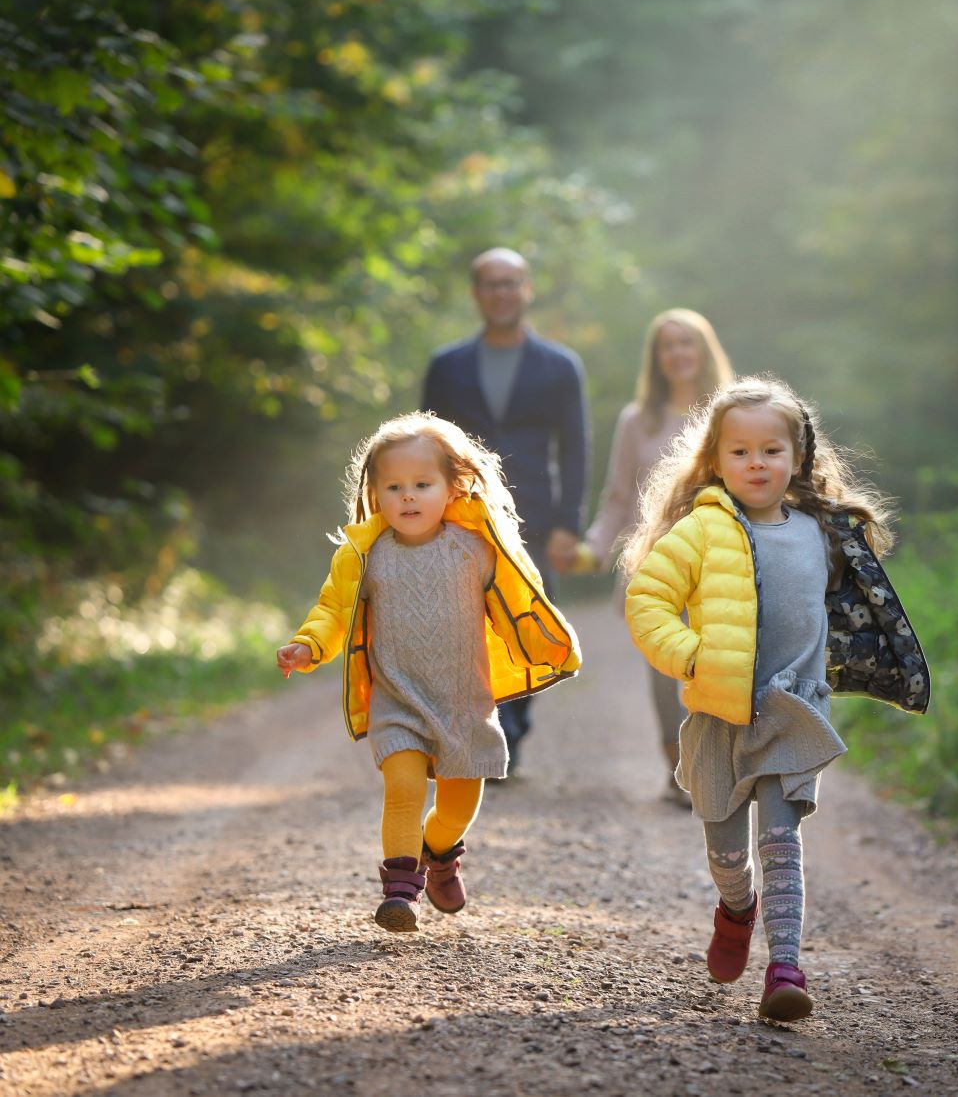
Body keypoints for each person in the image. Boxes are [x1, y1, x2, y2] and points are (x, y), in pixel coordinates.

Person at [621, 375, 930, 1021]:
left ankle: (785, 967)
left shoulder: (823, 533)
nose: (756, 463)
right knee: (728, 854)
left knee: (781, 839)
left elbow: (857, 610)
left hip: (793, 708)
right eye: (739, 451)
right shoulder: (701, 532)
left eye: (771, 450)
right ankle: (736, 907)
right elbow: (648, 600)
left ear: (798, 458)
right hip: (720, 712)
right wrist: (689, 655)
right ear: (715, 460)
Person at [274, 412, 581, 932]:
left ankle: (439, 854)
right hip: (398, 703)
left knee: (457, 809)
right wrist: (307, 645)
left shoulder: (476, 548)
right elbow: (334, 611)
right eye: (394, 487)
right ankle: (400, 892)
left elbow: (514, 602)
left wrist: (544, 644)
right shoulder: (364, 557)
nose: (408, 497)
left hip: (464, 705)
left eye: (422, 484)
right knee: (403, 788)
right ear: (374, 492)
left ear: (451, 487)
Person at [422, 246, 590, 775]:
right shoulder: (447, 367)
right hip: (460, 517)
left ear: (527, 290)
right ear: (476, 294)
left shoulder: (561, 366)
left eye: (510, 283)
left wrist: (569, 525)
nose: (501, 293)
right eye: (491, 284)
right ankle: (475, 737)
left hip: (535, 522)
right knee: (462, 630)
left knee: (528, 627)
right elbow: (423, 442)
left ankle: (511, 736)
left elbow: (577, 447)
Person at [582, 309, 735, 806]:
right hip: (654, 565)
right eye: (667, 346)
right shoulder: (636, 420)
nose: (677, 354)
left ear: (703, 350)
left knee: (716, 666)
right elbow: (617, 497)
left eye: (686, 343)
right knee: (665, 670)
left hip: (719, 562)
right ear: (656, 358)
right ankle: (679, 769)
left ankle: (716, 764)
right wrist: (594, 548)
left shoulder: (729, 415)